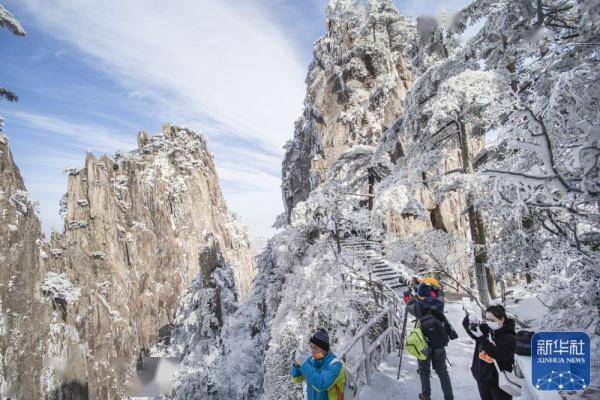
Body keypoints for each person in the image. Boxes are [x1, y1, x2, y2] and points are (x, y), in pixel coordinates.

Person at [407, 283, 456, 400]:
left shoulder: (417, 306)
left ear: (419, 294)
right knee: (442, 372)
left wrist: (413, 297)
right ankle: (449, 397)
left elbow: (408, 305)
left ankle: (426, 395)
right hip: (438, 343)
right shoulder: (438, 303)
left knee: (424, 370)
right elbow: (439, 297)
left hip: (423, 344)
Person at [462, 304, 517, 400]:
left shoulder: (509, 337)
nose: (489, 322)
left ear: (502, 319)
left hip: (499, 383)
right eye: (487, 319)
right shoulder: (486, 329)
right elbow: (470, 330)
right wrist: (468, 319)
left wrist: (482, 338)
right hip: (482, 378)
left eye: (492, 320)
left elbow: (497, 354)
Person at [290, 329, 346, 400]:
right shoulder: (312, 360)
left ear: (324, 348)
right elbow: (296, 379)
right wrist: (296, 364)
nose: (312, 351)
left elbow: (321, 384)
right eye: (311, 346)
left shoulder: (336, 365)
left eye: (315, 347)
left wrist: (303, 364)